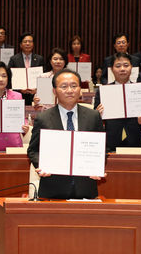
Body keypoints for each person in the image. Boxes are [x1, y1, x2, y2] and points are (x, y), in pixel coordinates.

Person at [27, 69, 105, 199]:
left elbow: (103, 148)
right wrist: (42, 166)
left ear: (80, 89)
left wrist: (97, 167)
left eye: (74, 86)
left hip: (86, 185)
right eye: (64, 86)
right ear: (54, 91)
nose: (69, 90)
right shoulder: (43, 118)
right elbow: (33, 150)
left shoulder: (93, 116)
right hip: (53, 186)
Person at [95, 53, 141, 152]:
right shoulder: (103, 91)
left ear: (132, 67)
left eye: (126, 65)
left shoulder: (140, 89)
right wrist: (97, 114)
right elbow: (94, 117)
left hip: (135, 141)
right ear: (111, 69)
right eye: (118, 66)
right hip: (110, 142)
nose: (122, 69)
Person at [8, 32, 44, 105]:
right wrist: (19, 89)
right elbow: (9, 77)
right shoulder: (14, 59)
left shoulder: (39, 59)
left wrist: (37, 89)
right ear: (21, 45)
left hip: (35, 95)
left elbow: (44, 77)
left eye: (30, 41)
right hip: (18, 94)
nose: (27, 44)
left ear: (33, 44)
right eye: (25, 42)